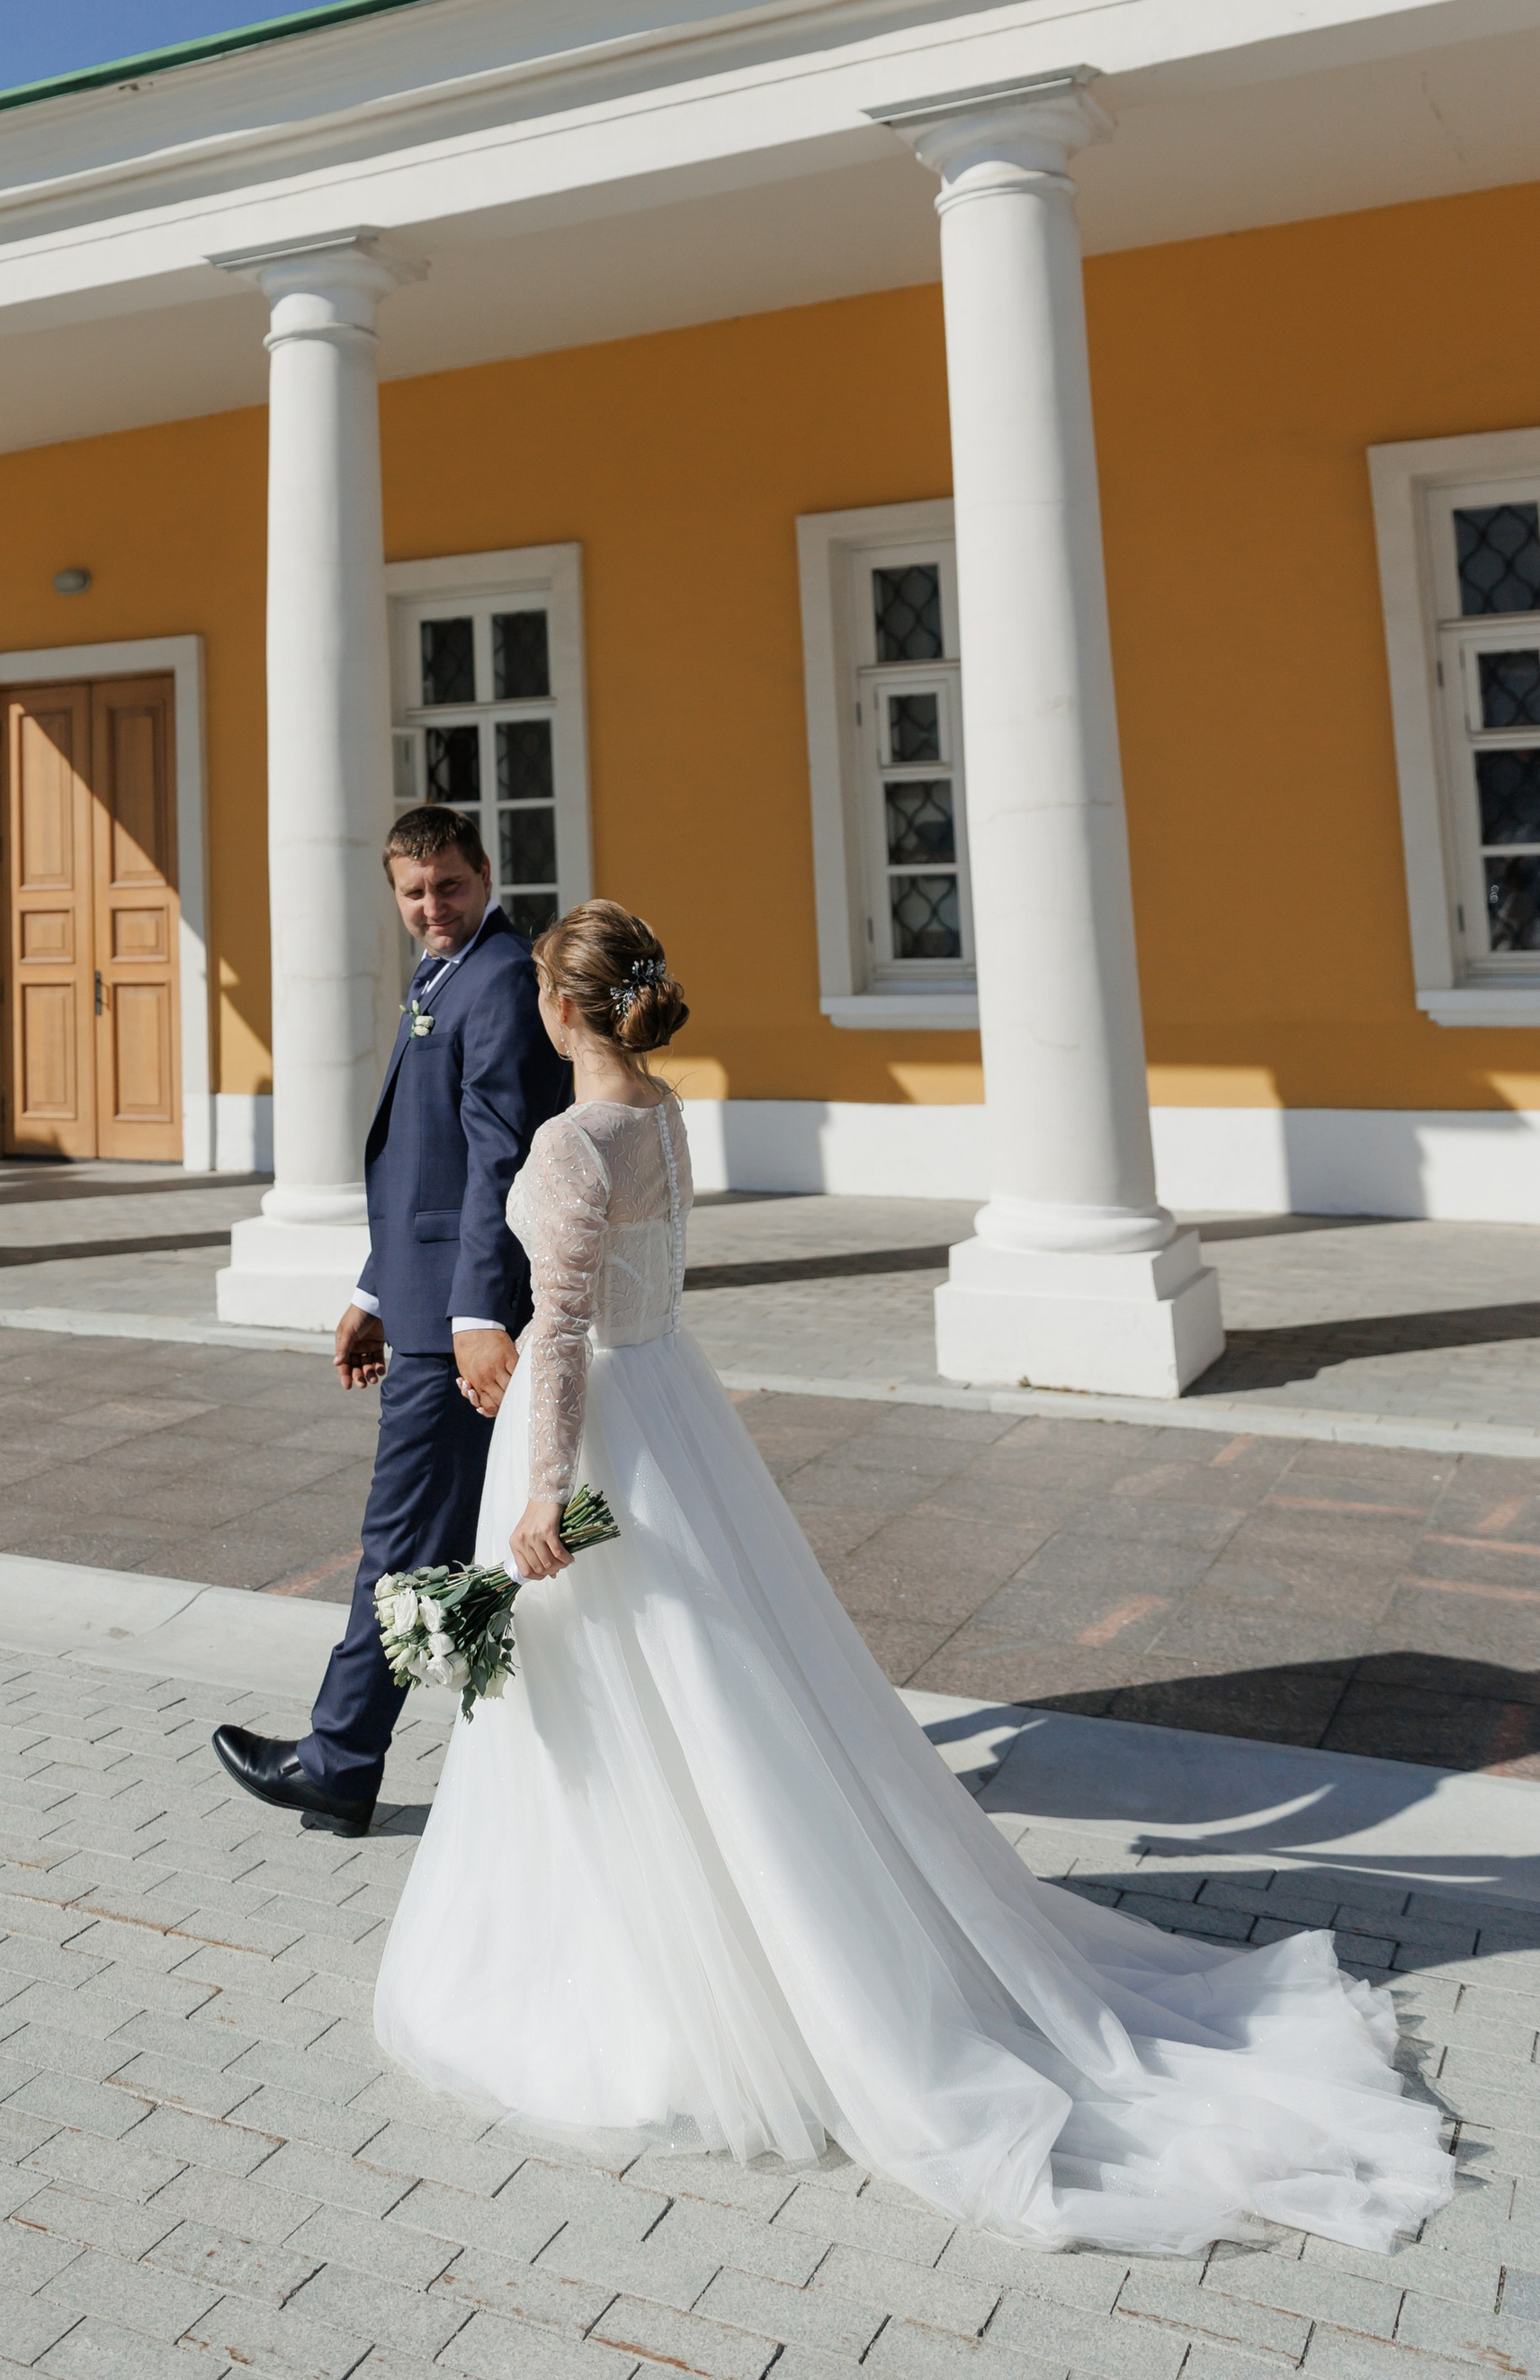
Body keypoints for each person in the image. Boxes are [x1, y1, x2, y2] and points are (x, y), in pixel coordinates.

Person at [372, 898, 1455, 2258]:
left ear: (559, 1010)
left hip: (605, 1439)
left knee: (629, 1712)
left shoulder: (574, 1142)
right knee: (720, 1702)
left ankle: (658, 1991)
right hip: (680, 1418)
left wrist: (539, 1496)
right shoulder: (658, 1108)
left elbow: (564, 1335)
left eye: (540, 991)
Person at [213, 806, 570, 1836]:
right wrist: (373, 1293)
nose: (430, 909)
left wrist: (468, 1314)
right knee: (449, 1539)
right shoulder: (442, 974)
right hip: (418, 1303)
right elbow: (424, 1162)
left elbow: (496, 1163)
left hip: (458, 1322)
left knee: (404, 1542)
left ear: (485, 873)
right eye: (413, 894)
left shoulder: (499, 978)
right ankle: (473, 1748)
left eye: (448, 887)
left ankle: (338, 1760)